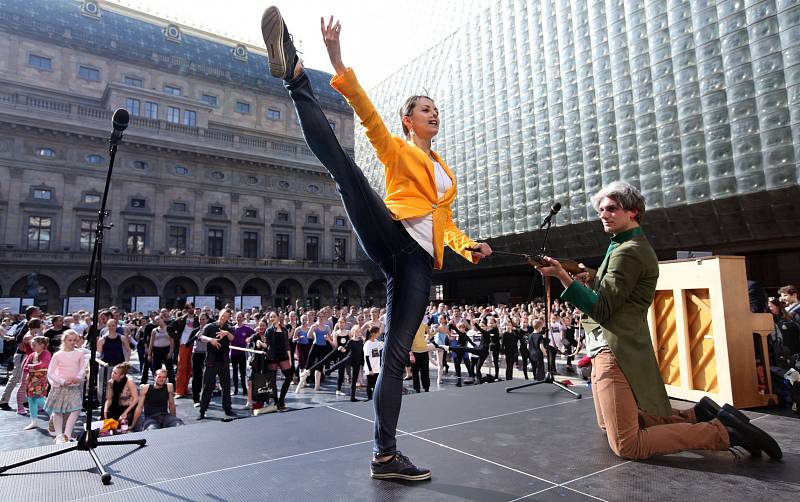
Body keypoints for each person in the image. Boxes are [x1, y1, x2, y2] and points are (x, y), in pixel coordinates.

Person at [262, 8, 492, 480]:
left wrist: (470, 247)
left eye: (436, 109)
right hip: (390, 231)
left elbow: (442, 224)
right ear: (408, 120)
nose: (434, 113)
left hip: (418, 266)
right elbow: (366, 113)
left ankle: (384, 456)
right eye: (425, 109)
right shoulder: (397, 148)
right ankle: (296, 76)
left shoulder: (446, 175)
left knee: (396, 353)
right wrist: (336, 57)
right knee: (347, 173)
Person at [537, 181, 781, 460]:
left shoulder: (627, 250)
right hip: (608, 345)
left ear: (634, 212)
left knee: (628, 445)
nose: (604, 215)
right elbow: (617, 289)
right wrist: (591, 277)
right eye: (601, 210)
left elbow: (603, 309)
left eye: (612, 209)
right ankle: (697, 415)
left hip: (615, 350)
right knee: (610, 426)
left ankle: (722, 432)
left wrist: (562, 276)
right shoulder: (622, 245)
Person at [45, 330, 87, 443]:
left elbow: (83, 368)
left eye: (74, 340)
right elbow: (50, 372)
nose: (72, 342)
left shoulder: (79, 353)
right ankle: (59, 436)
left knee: (76, 409)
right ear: (64, 340)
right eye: (70, 340)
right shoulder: (58, 355)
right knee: (58, 411)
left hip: (74, 386)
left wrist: (78, 377)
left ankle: (67, 434)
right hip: (60, 387)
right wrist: (62, 381)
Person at [197, 309, 237, 419]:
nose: (224, 317)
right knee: (207, 387)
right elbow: (200, 336)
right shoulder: (210, 326)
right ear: (219, 314)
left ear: (229, 317)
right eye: (223, 315)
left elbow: (232, 338)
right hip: (211, 361)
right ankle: (202, 410)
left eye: (226, 316)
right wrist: (210, 340)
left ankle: (227, 409)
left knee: (226, 386)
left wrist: (226, 333)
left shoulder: (229, 328)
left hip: (223, 362)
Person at [22, 336, 51, 431]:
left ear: (42, 345)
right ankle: (34, 421)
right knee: (31, 399)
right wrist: (32, 367)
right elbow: (25, 366)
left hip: (40, 378)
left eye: (34, 345)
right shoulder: (32, 354)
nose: (32, 347)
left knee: (39, 398)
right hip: (31, 378)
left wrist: (32, 366)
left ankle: (54, 415)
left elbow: (43, 364)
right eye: (32, 345)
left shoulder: (46, 353)